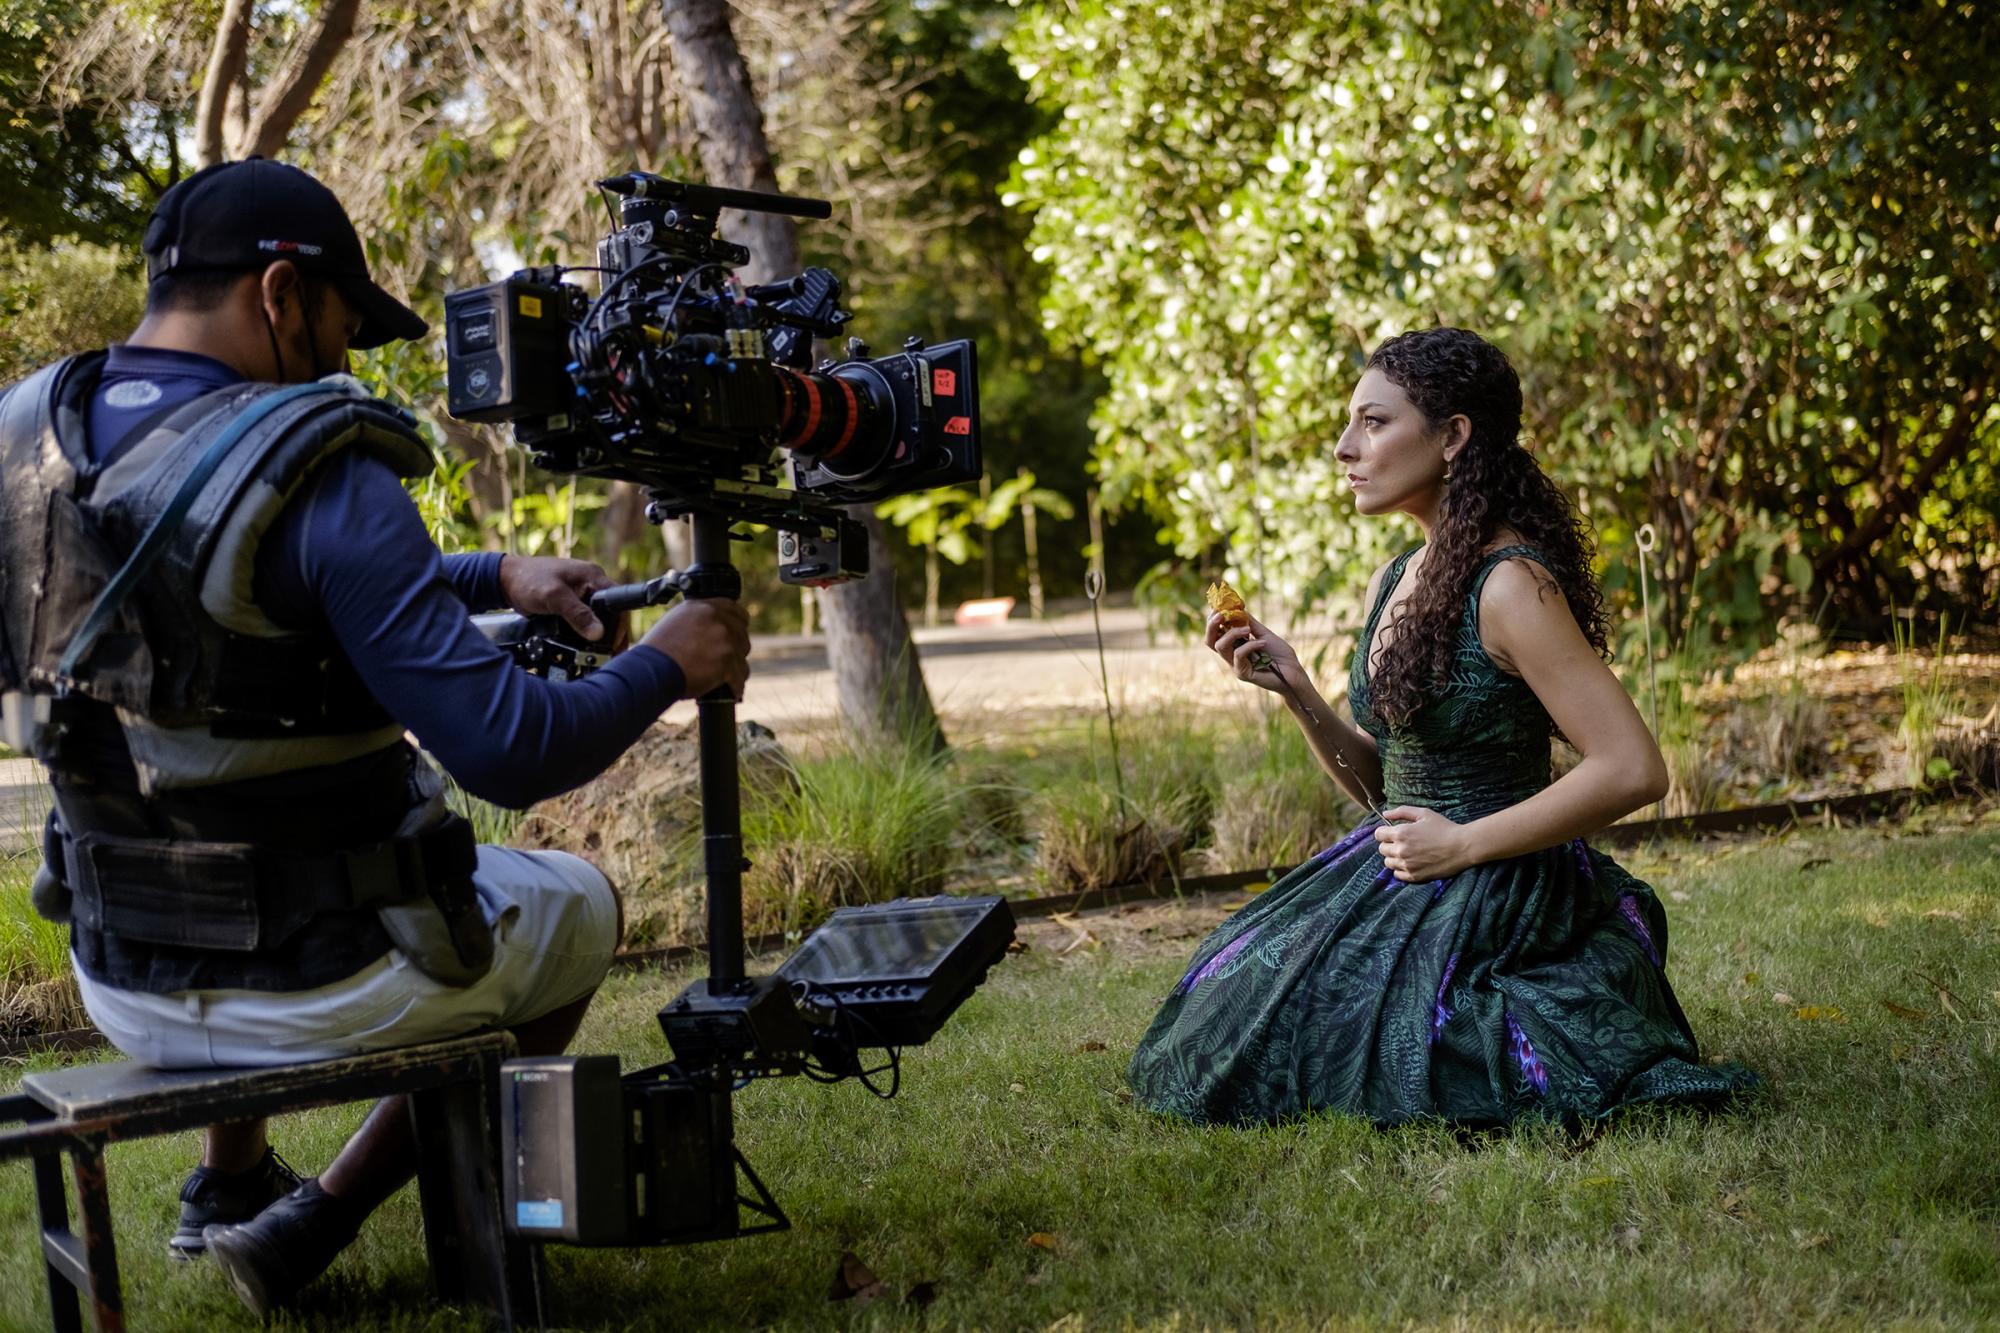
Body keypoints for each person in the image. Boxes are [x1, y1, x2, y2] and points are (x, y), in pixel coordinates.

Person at [0, 159, 751, 1315]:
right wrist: (671, 660)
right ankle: (318, 1219)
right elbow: (508, 749)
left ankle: (225, 1183)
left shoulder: (24, 442)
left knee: (223, 805)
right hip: (316, 981)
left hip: (119, 968)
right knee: (575, 901)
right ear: (280, 293)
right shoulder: (324, 462)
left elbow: (211, 583)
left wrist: (491, 574)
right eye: (345, 324)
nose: (345, 361)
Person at [1127, 327, 1757, 1127]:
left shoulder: (1510, 584)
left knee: (1393, 1038)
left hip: (1504, 880)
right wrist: (1296, 690)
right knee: (1231, 1001)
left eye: (1374, 422)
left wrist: (1462, 844)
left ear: (1454, 435)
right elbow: (1386, 785)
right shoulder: (1394, 576)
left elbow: (1633, 767)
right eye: (1350, 422)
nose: (1344, 446)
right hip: (1407, 862)